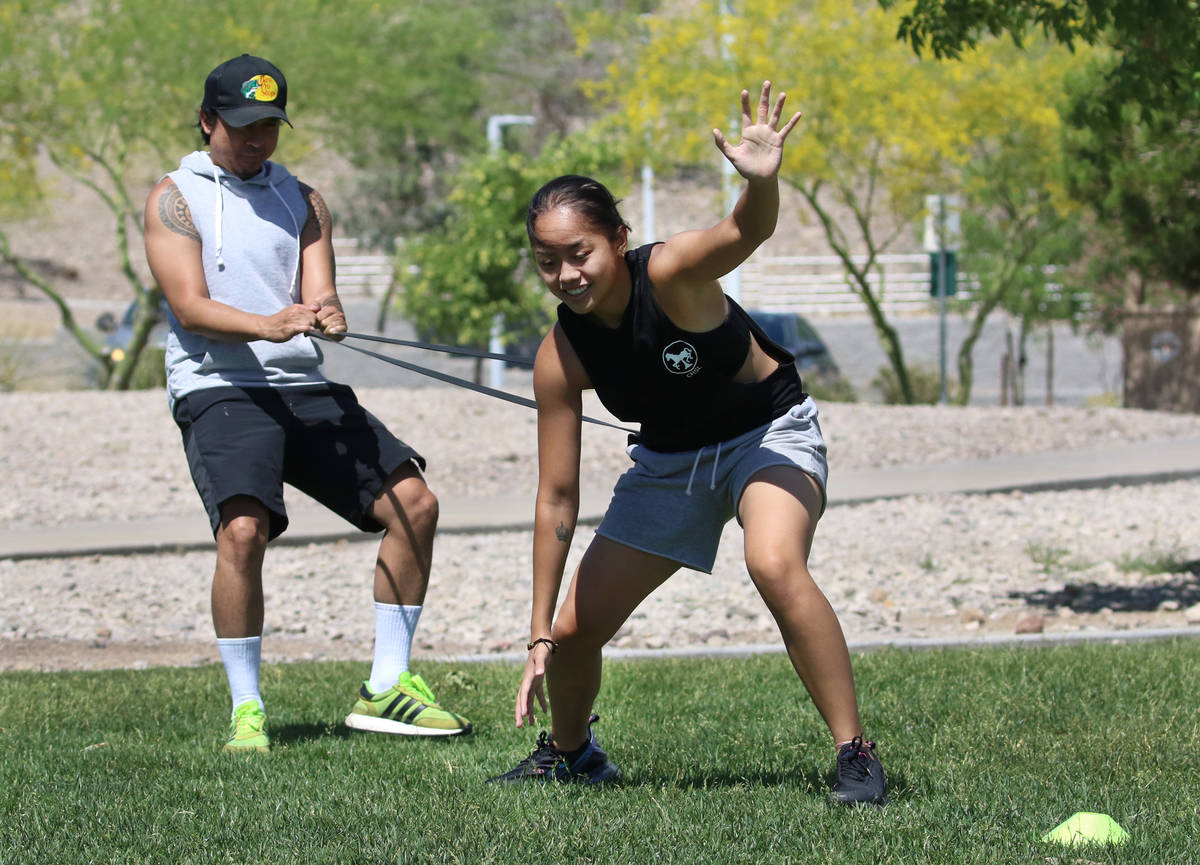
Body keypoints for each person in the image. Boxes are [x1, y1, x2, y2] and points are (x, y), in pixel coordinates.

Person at [487, 81, 886, 805]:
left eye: (580, 253)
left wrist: (760, 185)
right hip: (671, 463)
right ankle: (572, 751)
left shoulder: (670, 274)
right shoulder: (561, 355)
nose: (567, 274)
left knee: (771, 559)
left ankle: (855, 751)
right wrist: (538, 629)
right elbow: (556, 496)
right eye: (548, 262)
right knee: (576, 630)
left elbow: (743, 233)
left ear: (618, 240)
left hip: (767, 432)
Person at [143, 54, 470, 753]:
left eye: (268, 125)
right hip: (218, 385)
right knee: (243, 531)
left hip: (302, 382)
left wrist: (328, 315)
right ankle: (248, 709)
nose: (256, 139)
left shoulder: (304, 200)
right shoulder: (174, 198)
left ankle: (388, 684)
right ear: (207, 122)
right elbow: (190, 308)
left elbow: (320, 292)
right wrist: (269, 323)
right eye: (240, 126)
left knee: (416, 504)